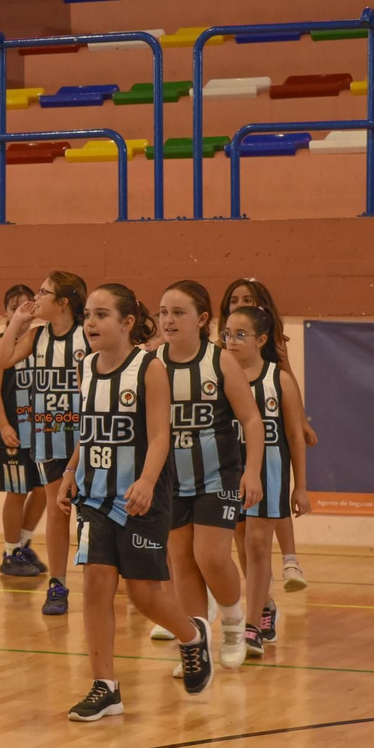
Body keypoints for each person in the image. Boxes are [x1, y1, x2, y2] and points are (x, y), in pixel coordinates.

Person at [59, 284, 213, 720]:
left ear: (127, 323)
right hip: (94, 496)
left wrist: (147, 480)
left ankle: (190, 635)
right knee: (95, 586)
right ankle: (104, 686)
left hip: (142, 497)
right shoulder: (84, 367)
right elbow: (87, 430)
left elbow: (161, 434)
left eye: (102, 315)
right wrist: (70, 472)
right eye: (88, 314)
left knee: (144, 594)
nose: (90, 322)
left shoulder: (148, 369)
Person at [157, 280, 264, 672]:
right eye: (163, 312)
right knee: (181, 559)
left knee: (211, 555)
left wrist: (252, 472)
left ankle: (235, 624)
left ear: (202, 319)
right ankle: (196, 641)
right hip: (170, 480)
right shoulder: (153, 364)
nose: (168, 319)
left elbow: (251, 419)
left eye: (178, 312)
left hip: (218, 475)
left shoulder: (219, 361)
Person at [0, 271, 88, 615]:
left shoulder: (86, 337)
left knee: (93, 515)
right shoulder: (36, 336)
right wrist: (17, 322)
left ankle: (109, 579)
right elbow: (2, 361)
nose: (38, 296)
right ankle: (58, 585)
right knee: (58, 511)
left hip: (85, 440)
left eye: (45, 292)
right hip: (48, 436)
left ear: (63, 303)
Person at [220, 305, 310, 658]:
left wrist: (300, 486)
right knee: (242, 547)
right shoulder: (220, 377)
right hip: (229, 473)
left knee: (258, 545)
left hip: (269, 473)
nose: (231, 341)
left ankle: (253, 626)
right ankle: (266, 604)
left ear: (260, 339)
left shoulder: (279, 380)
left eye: (240, 335)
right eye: (227, 333)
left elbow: (294, 435)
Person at [0, 284, 48, 577]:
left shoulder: (41, 340)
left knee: (43, 490)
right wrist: (3, 425)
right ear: (5, 312)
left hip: (42, 431)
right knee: (17, 491)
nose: (21, 312)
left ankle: (23, 544)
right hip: (13, 429)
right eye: (15, 307)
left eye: (27, 306)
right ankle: (10, 550)